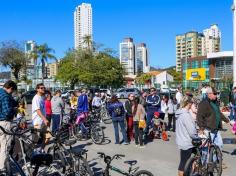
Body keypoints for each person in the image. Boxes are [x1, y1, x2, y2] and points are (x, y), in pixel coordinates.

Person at [175, 96, 197, 176]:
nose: (192, 105)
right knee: (183, 163)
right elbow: (191, 132)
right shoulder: (185, 115)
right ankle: (191, 172)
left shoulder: (179, 112)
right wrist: (197, 135)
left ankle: (191, 171)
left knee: (184, 161)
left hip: (181, 140)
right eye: (192, 103)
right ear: (188, 104)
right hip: (187, 142)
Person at [0, 80, 17, 172]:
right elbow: (7, 112)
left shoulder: (1, 92)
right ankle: (2, 169)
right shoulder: (5, 96)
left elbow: (13, 102)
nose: (12, 93)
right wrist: (15, 110)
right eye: (13, 91)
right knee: (5, 146)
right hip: (4, 123)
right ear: (10, 88)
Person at [32, 83, 50, 148]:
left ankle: (41, 150)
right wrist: (45, 119)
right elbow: (38, 110)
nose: (43, 89)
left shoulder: (42, 97)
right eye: (41, 88)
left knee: (48, 137)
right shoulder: (36, 98)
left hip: (43, 121)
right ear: (37, 89)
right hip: (37, 122)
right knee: (35, 140)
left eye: (44, 88)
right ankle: (33, 153)